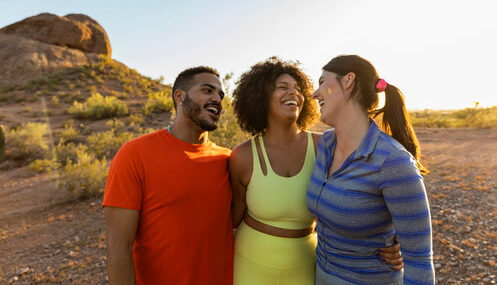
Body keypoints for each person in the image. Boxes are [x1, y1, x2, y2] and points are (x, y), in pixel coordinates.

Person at [229, 58, 403, 285]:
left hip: (308, 263)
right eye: (283, 87)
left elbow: (371, 184)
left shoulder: (326, 147)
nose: (294, 93)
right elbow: (232, 217)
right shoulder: (243, 155)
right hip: (251, 260)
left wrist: (396, 238)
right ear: (260, 95)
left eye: (298, 89)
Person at [307, 55, 435, 284]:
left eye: (322, 82)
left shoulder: (393, 161)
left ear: (348, 81)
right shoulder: (325, 145)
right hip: (320, 274)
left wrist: (401, 241)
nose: (315, 94)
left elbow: (420, 262)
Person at [103, 66, 233, 285]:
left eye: (220, 94)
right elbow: (118, 247)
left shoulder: (228, 160)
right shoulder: (135, 154)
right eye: (207, 90)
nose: (217, 99)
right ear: (180, 97)